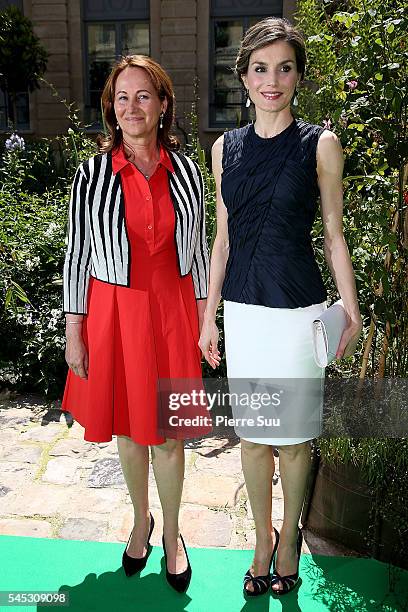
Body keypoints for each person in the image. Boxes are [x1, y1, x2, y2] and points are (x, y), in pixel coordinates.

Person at [199, 17, 362, 597]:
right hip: (243, 311)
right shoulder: (225, 148)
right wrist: (209, 312)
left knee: (292, 439)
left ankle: (289, 537)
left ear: (297, 76)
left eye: (284, 68)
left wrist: (351, 305)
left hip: (297, 314)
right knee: (254, 437)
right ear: (243, 77)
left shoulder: (320, 143)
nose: (273, 80)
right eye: (260, 68)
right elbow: (221, 236)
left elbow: (334, 233)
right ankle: (261, 542)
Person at [61, 55, 210, 593]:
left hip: (171, 311)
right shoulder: (92, 175)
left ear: (163, 104)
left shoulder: (187, 170)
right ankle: (140, 522)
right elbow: (77, 253)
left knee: (168, 435)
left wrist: (204, 321)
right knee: (128, 430)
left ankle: (173, 535)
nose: (131, 107)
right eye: (121, 98)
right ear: (111, 109)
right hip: (114, 313)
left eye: (143, 96)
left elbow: (195, 252)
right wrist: (74, 330)